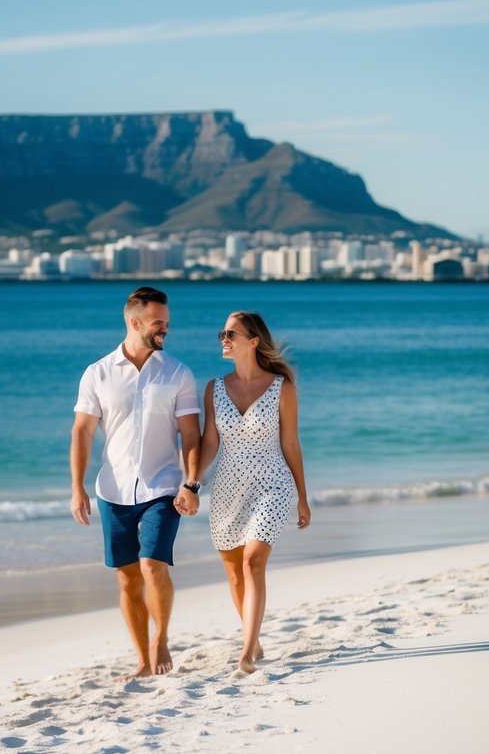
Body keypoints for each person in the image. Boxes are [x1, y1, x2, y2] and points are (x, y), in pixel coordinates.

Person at [70, 286, 201, 679]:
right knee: (126, 579)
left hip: (164, 487)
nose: (166, 329)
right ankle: (143, 659)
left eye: (167, 322)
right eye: (159, 322)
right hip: (113, 490)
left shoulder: (177, 372)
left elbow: (191, 436)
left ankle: (161, 639)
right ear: (135, 321)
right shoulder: (98, 373)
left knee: (152, 565)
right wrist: (77, 487)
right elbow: (82, 432)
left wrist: (191, 483)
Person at [196, 311, 310, 674]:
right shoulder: (215, 388)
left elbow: (291, 442)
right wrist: (192, 483)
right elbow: (210, 441)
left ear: (253, 341)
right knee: (233, 572)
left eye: (231, 334)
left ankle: (246, 652)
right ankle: (254, 637)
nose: (224, 340)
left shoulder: (282, 388)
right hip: (228, 489)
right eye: (221, 334)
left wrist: (302, 496)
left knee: (252, 561)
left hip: (273, 485)